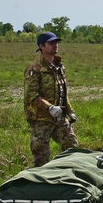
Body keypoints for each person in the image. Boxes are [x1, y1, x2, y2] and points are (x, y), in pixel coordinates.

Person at [24, 31, 79, 167]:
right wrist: (49, 107)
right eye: (51, 43)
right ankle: (40, 184)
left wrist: (69, 109)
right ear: (41, 46)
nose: (55, 45)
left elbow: (62, 91)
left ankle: (70, 174)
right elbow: (31, 95)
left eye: (56, 42)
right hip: (41, 119)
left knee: (73, 148)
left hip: (59, 116)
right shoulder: (34, 68)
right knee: (41, 156)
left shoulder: (59, 67)